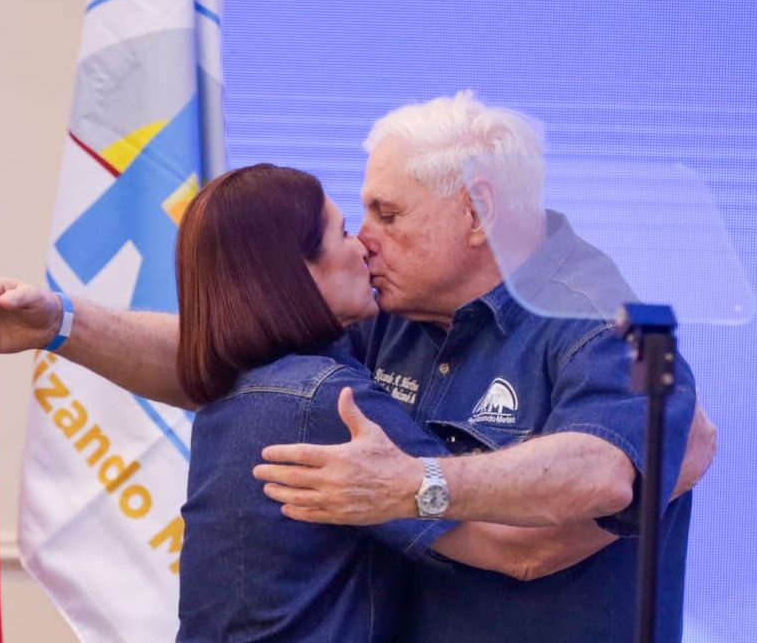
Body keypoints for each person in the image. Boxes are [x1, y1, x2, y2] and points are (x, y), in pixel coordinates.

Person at [0, 92, 716, 642]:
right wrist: (63, 323)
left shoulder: (594, 317)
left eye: (388, 213)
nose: (365, 239)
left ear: (478, 212)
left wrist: (412, 485)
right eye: (358, 216)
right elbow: (232, 358)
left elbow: (595, 484)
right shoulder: (394, 311)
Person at [169, 163, 613, 641]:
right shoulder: (327, 402)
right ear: (294, 271)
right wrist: (650, 483)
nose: (363, 245)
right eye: (342, 233)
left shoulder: (240, 387)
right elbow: (519, 549)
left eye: (388, 216)